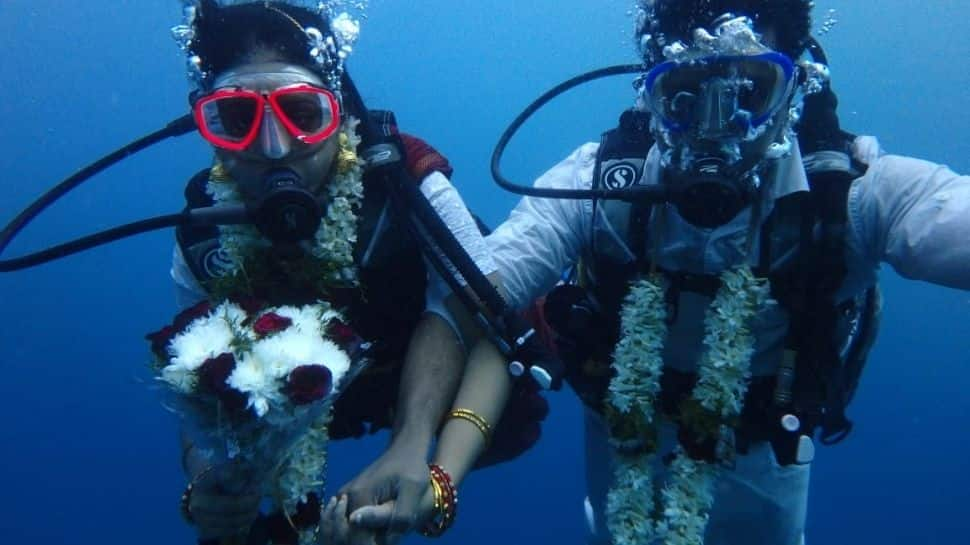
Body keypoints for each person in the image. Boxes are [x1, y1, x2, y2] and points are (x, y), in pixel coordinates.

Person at [343, 1, 970, 544]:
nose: (715, 129)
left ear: (796, 88)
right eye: (685, 98)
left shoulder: (852, 196)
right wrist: (411, 443)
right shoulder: (599, 186)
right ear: (650, 92)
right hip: (624, 443)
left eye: (751, 93)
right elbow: (468, 300)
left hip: (764, 457)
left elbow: (947, 219)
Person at [165, 1, 547, 543]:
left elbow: (482, 308)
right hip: (310, 398)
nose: (275, 148)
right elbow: (197, 377)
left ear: (339, 112)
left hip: (404, 374)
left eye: (303, 112)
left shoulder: (406, 182)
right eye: (236, 118)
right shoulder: (201, 236)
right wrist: (204, 478)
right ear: (206, 123)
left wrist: (420, 451)